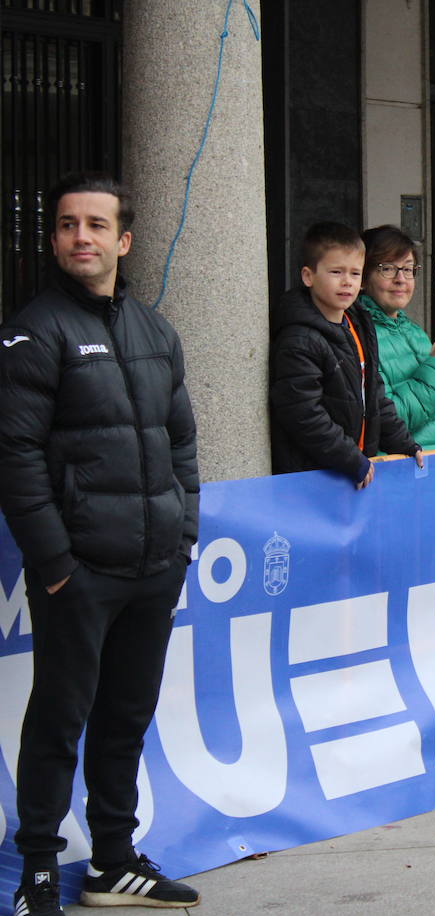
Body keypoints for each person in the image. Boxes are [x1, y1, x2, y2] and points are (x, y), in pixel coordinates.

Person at [0, 173, 201, 914]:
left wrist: (184, 538)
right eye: (65, 225)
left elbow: (181, 444)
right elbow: (15, 459)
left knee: (126, 720)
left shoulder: (155, 330)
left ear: (123, 240)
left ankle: (113, 861)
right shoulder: (32, 331)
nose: (79, 236)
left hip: (153, 568)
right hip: (80, 574)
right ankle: (41, 871)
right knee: (58, 723)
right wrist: (56, 565)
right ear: (53, 240)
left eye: (95, 225)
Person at [269, 221, 422, 485]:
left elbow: (374, 393)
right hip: (314, 477)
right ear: (308, 276)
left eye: (355, 274)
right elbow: (303, 414)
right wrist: (350, 458)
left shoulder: (358, 323)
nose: (347, 282)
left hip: (353, 468)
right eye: (336, 272)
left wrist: (405, 444)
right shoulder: (299, 338)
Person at [358, 224, 435, 450]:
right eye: (388, 269)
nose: (401, 279)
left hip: (433, 463)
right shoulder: (360, 336)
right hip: (397, 468)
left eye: (408, 269)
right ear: (363, 277)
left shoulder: (414, 332)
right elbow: (391, 420)